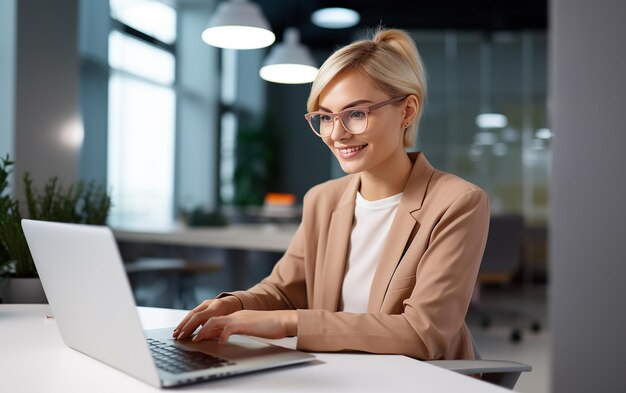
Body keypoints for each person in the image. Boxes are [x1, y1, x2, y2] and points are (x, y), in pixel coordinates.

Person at [174, 28, 490, 360]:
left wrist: (288, 323)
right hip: (336, 372)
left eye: (356, 114)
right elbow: (283, 290)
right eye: (325, 117)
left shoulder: (458, 203)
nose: (336, 134)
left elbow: (422, 334)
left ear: (407, 111)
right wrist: (234, 305)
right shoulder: (323, 200)